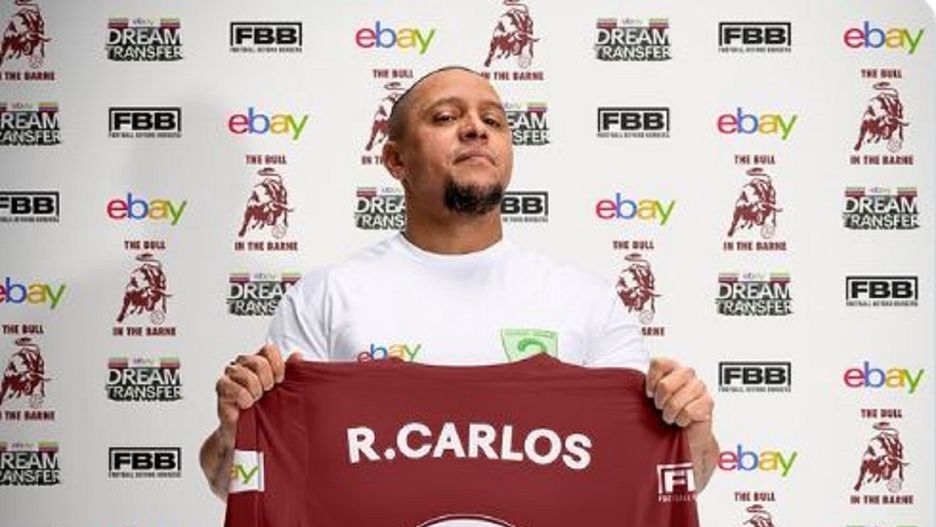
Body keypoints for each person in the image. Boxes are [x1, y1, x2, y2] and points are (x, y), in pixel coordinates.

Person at [200, 66, 719, 500]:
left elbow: (664, 479)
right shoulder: (326, 297)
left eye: (493, 120)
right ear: (395, 160)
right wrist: (233, 433)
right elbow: (243, 481)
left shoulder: (585, 300)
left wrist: (691, 430)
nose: (476, 129)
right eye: (446, 117)